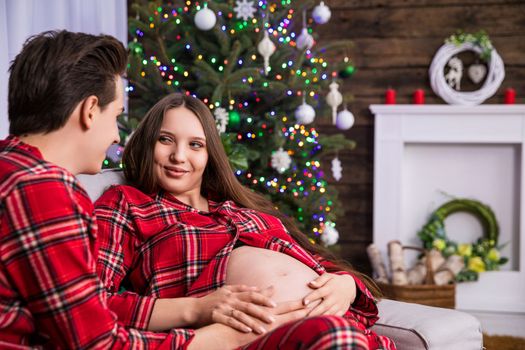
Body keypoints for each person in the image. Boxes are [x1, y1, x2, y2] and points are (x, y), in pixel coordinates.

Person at [0, 30, 284, 349]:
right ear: (90, 110)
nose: (116, 138)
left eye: (196, 145)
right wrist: (208, 339)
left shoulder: (11, 168)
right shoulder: (43, 190)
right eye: (116, 117)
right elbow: (96, 343)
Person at [95, 93, 396, 349]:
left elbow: (318, 264)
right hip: (250, 338)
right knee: (337, 337)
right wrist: (195, 310)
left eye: (195, 145)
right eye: (166, 140)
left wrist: (347, 286)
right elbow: (93, 304)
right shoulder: (127, 204)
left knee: (348, 337)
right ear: (148, 143)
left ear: (210, 154)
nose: (179, 155)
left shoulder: (240, 207)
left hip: (331, 323)